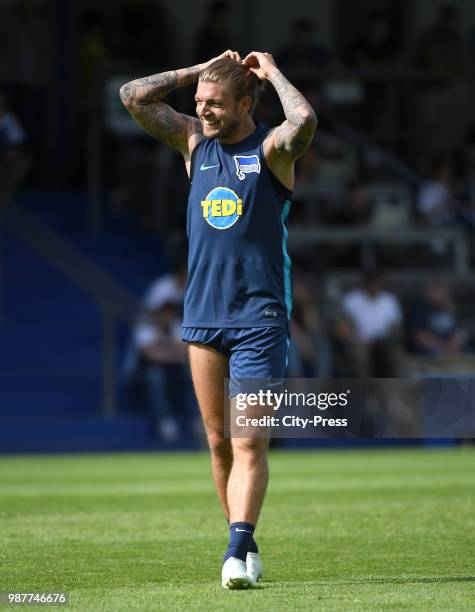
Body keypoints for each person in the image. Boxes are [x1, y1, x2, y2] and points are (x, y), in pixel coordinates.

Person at [120, 49, 317, 588]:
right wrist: (200, 69)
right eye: (199, 103)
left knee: (249, 439)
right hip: (203, 317)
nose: (203, 111)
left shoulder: (273, 150)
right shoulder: (193, 143)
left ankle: (233, 554)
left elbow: (303, 120)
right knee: (218, 441)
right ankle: (243, 537)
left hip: (260, 315)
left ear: (247, 103)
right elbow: (132, 95)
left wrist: (273, 70)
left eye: (215, 103)